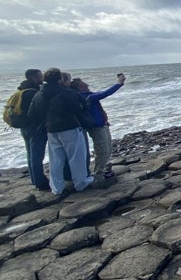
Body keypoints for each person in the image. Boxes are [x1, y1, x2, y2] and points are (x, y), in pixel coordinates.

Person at [28, 67, 93, 195]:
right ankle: (80, 183)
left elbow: (32, 113)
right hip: (70, 127)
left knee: (56, 160)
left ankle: (56, 187)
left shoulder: (38, 95)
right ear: (59, 79)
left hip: (51, 129)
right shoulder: (67, 93)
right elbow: (79, 108)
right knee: (76, 157)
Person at [71, 73, 125, 178]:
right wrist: (119, 83)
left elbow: (101, 93)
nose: (87, 85)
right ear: (80, 87)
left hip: (102, 125)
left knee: (107, 148)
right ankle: (98, 173)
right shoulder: (86, 97)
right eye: (84, 84)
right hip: (96, 128)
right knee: (102, 150)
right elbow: (105, 93)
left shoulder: (88, 96)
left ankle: (103, 169)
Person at [18, 69, 49, 190]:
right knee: (37, 155)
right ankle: (40, 182)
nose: (42, 78)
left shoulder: (22, 90)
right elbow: (36, 111)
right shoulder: (33, 92)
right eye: (40, 76)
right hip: (35, 127)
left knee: (30, 153)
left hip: (24, 127)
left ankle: (34, 179)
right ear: (33, 78)